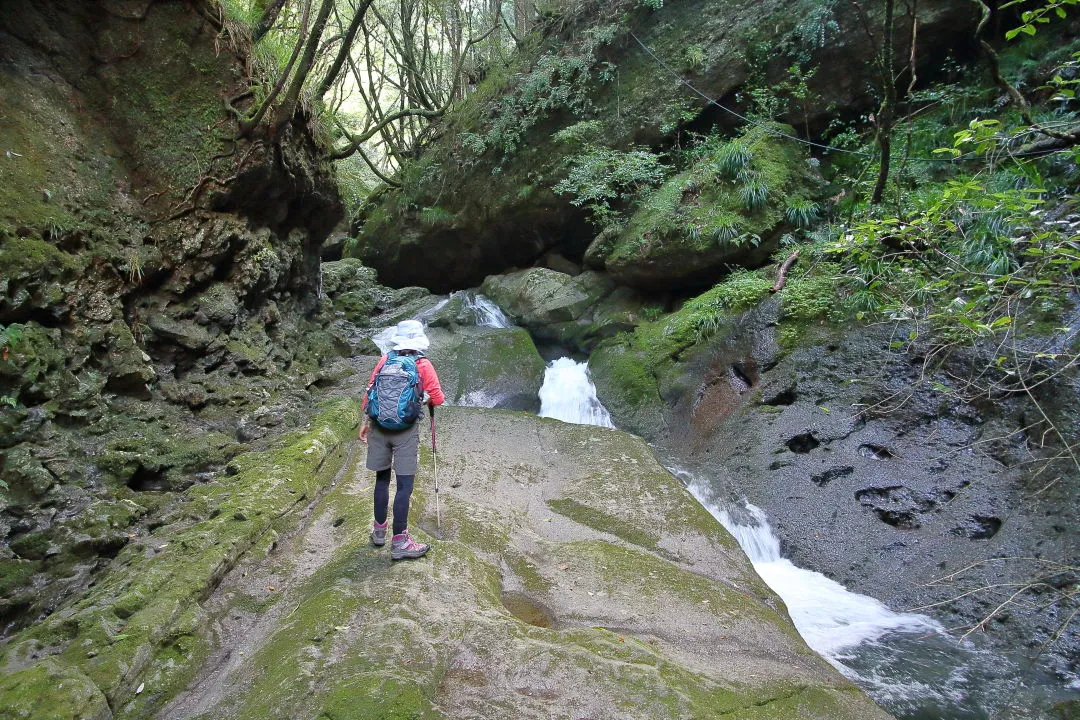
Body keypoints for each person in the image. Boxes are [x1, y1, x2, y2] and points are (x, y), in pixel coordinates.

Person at [359, 319, 444, 560]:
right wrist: (422, 398)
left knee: (382, 479)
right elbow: (437, 398)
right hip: (405, 431)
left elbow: (371, 390)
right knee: (404, 486)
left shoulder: (385, 360)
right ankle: (400, 543)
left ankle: (378, 533)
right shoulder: (423, 364)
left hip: (378, 426)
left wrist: (365, 423)